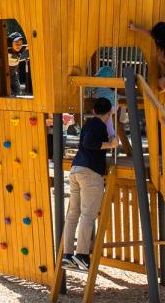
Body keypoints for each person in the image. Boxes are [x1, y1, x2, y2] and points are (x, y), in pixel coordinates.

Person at [60, 97, 118, 271]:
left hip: (76, 169)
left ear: (93, 111)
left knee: (73, 214)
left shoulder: (88, 124)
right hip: (90, 173)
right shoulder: (100, 125)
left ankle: (67, 254)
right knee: (87, 215)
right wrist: (110, 144)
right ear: (109, 113)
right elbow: (89, 143)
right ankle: (82, 255)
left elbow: (84, 142)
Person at [6, 31, 32, 96]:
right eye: (16, 43)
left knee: (18, 92)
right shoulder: (6, 51)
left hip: (13, 75)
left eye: (21, 43)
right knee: (8, 93)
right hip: (5, 75)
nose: (19, 46)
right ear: (10, 43)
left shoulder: (21, 49)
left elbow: (29, 46)